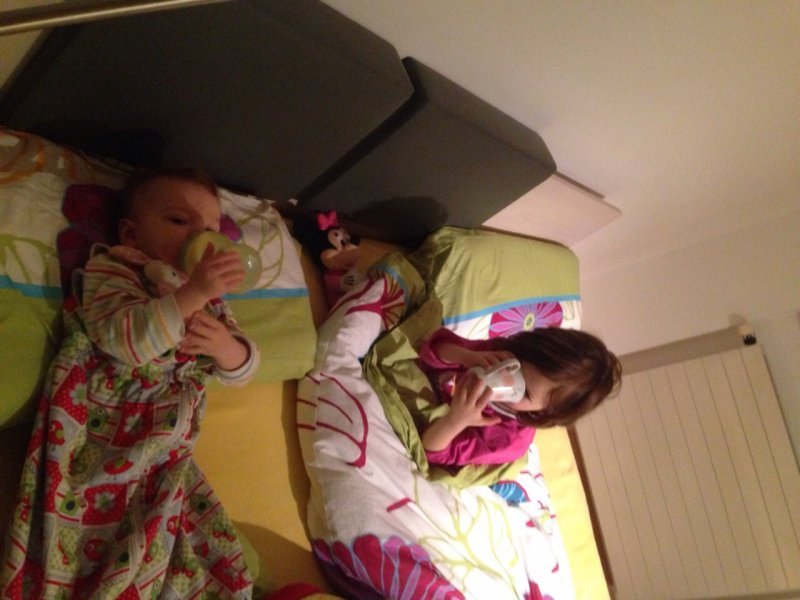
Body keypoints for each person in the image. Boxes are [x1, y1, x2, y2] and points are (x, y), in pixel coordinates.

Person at [1, 169, 260, 598]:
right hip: (104, 424)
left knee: (180, 545)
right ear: (131, 233)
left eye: (211, 230)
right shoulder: (117, 267)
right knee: (87, 536)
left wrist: (225, 346)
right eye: (179, 220)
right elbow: (126, 341)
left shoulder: (213, 300)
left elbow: (244, 370)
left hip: (166, 446)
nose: (200, 238)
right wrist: (193, 294)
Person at [417, 326, 621, 468]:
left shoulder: (508, 439)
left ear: (544, 412)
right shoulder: (498, 354)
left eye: (523, 392)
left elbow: (430, 452)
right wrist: (466, 356)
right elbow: (429, 349)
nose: (507, 380)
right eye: (516, 369)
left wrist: (456, 421)